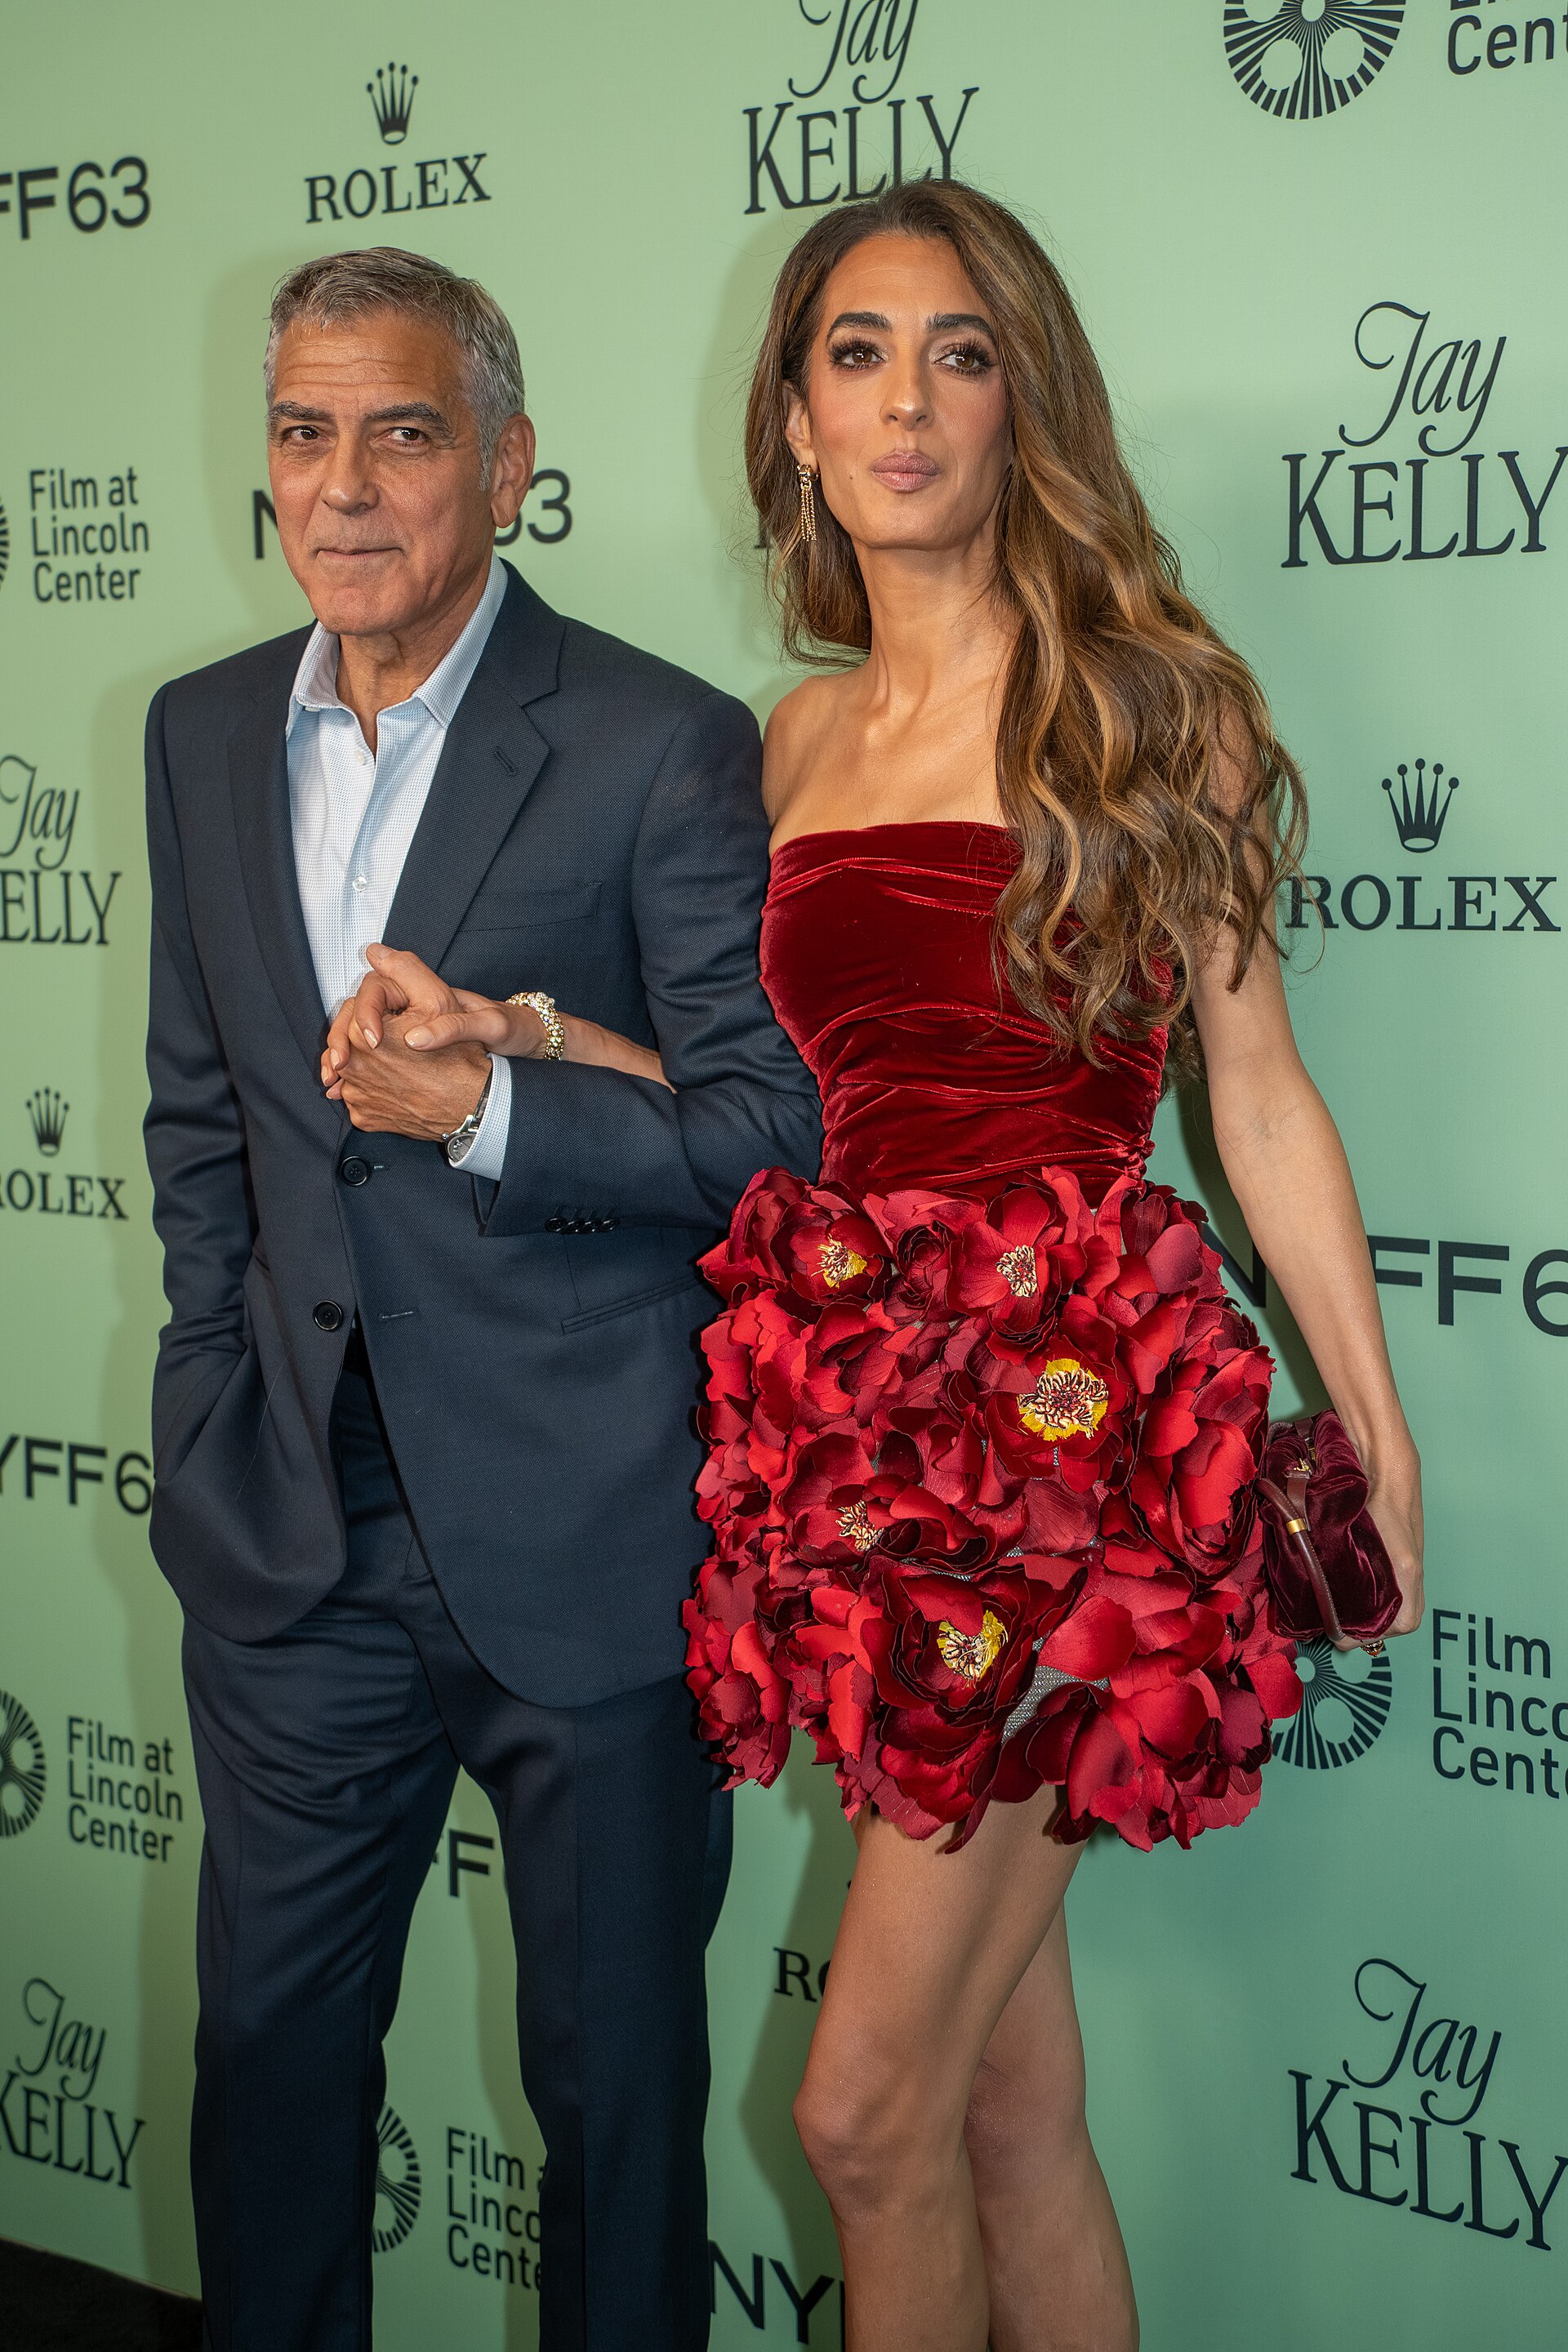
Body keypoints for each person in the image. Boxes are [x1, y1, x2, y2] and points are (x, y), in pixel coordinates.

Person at [335, 187, 1424, 2351]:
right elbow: (775, 1098)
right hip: (852, 1441)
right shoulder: (787, 743)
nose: (907, 399)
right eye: (857, 352)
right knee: (1005, 2111)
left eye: (957, 349)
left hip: (1075, 1447)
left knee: (861, 2117)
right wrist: (524, 1034)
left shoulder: (1142, 700)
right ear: (799, 422)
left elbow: (1262, 1091)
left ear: (1024, 397)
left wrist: (1373, 1431)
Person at [141, 245, 820, 2352]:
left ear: (510, 466)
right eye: (301, 431)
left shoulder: (657, 743)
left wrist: (495, 1103)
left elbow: (762, 1137)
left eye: (404, 432)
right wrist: (203, 1405)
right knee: (266, 2079)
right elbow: (202, 1125)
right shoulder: (191, 730)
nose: (342, 485)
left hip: (593, 1534)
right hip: (292, 1540)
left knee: (615, 2112)